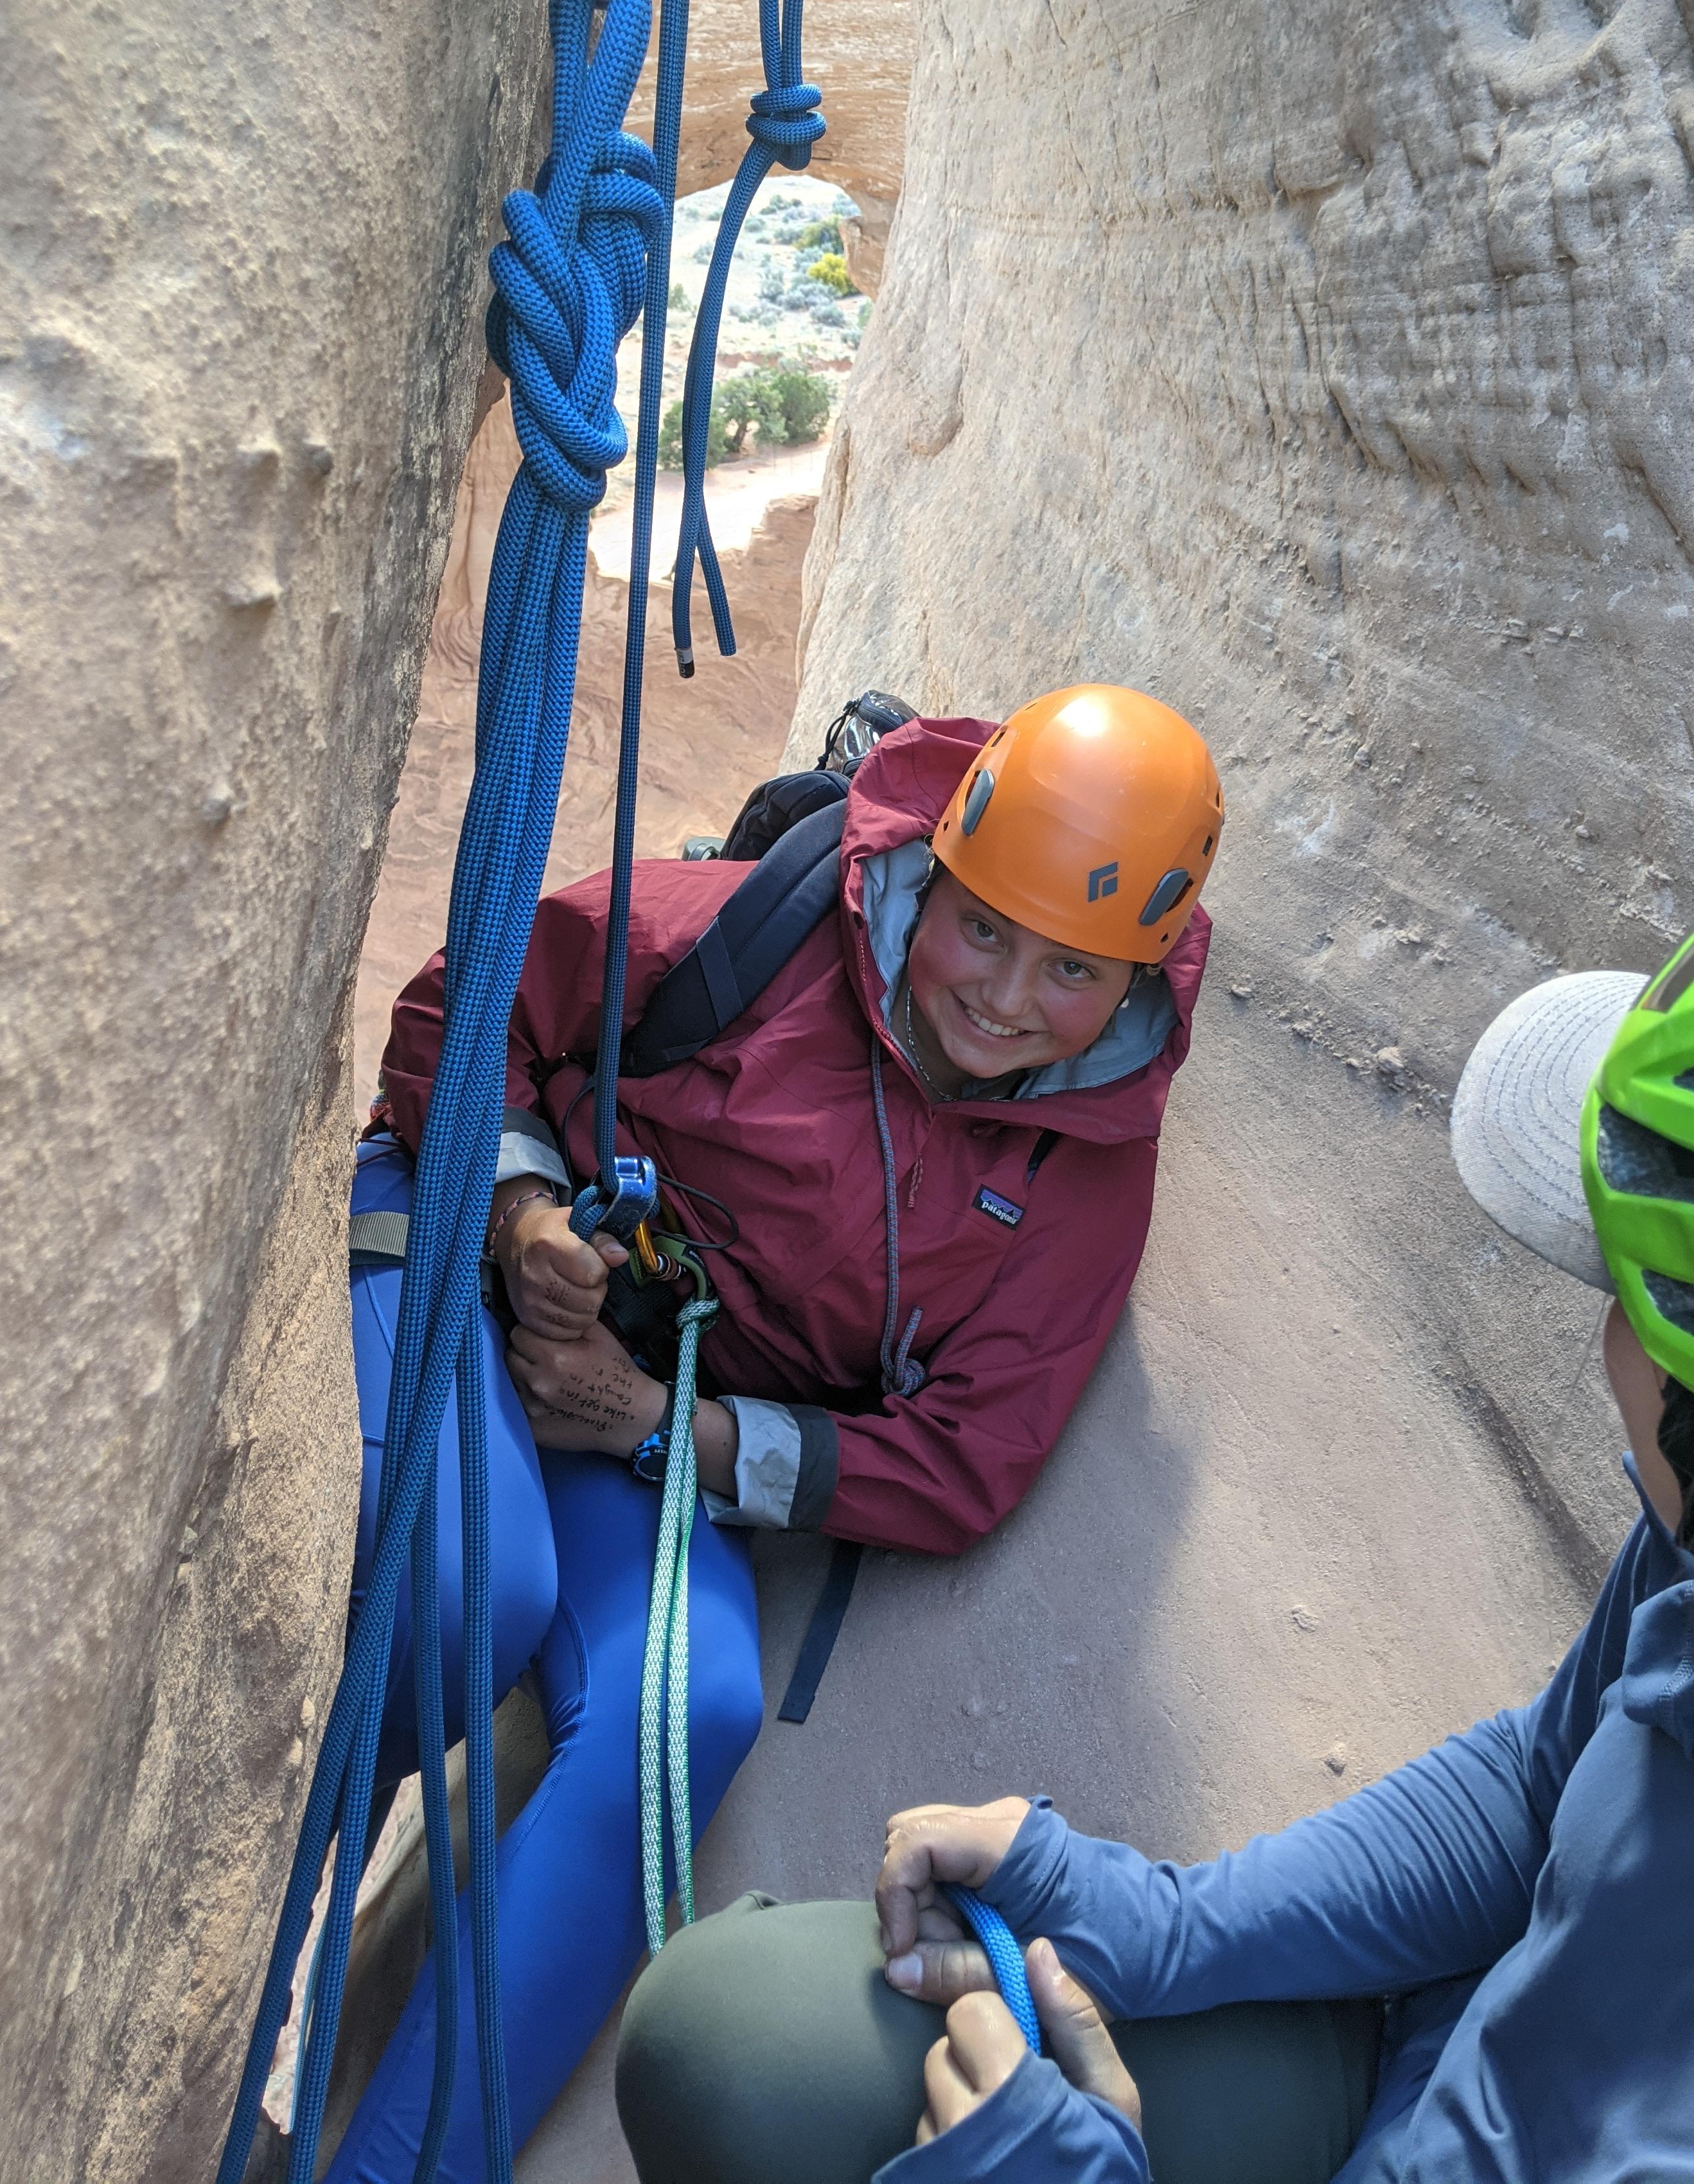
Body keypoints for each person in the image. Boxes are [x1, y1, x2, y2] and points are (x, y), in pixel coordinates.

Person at [612, 801, 1694, 2183]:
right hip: (1445, 2078)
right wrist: (1172, 1925)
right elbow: (1548, 1778)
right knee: (729, 2036)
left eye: (1636, 1302)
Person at [326, 686, 1224, 2181]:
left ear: (1137, 975)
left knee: (693, 1705)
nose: (1003, 996)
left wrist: (669, 1426)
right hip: (470, 1266)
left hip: (640, 1394)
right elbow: (469, 1001)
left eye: (1071, 969)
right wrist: (524, 1211)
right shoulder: (763, 928)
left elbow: (964, 1456)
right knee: (469, 1594)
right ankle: (240, 1974)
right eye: (982, 926)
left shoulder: (1087, 1171)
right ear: (934, 872)